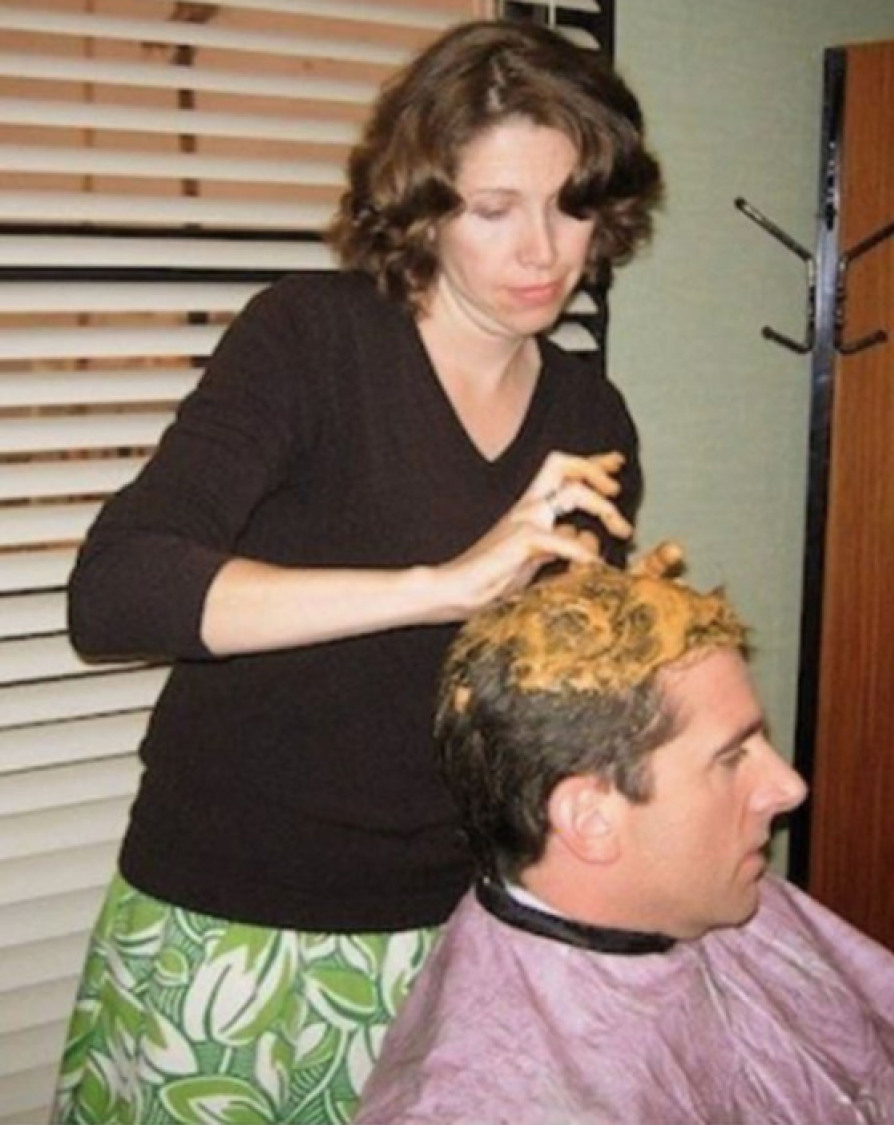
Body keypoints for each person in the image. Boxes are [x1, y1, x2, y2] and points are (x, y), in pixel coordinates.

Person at [54, 20, 662, 1124]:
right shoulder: (310, 342)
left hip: (456, 927)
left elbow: (537, 704)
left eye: (571, 205)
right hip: (233, 915)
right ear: (423, 207)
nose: (544, 251)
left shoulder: (588, 411)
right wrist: (441, 585)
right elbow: (115, 592)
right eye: (493, 209)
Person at [351, 545, 894, 1124]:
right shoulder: (481, 1104)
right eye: (732, 757)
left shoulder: (707, 897)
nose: (789, 787)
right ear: (592, 821)